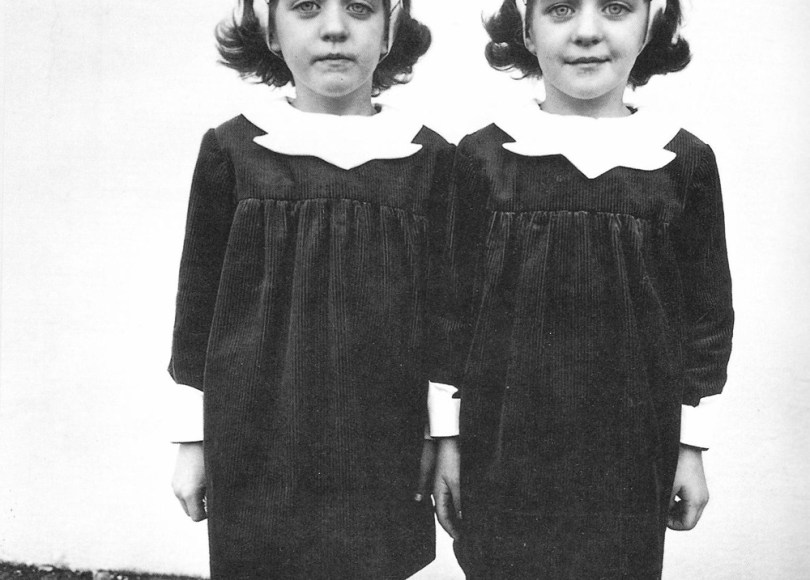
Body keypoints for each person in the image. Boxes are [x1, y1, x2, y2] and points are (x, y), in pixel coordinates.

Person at [431, 0, 734, 577]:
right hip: (502, 449)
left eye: (616, 7)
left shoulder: (684, 162)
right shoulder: (482, 158)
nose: (587, 32)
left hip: (632, 454)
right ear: (526, 28)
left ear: (650, 27)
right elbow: (449, 312)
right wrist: (447, 439)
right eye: (561, 8)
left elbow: (707, 319)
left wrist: (691, 446)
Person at [167, 1, 453, 578]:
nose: (334, 28)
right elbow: (197, 309)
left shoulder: (430, 160)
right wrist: (190, 441)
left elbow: (448, 319)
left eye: (360, 7)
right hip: (256, 435)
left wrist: (445, 437)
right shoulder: (232, 151)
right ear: (271, 31)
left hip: (382, 441)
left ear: (390, 29)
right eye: (305, 7)